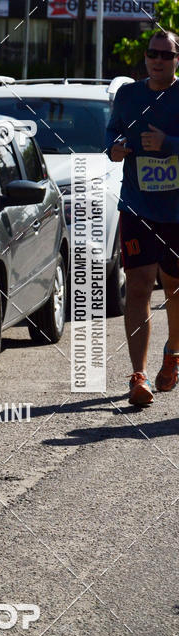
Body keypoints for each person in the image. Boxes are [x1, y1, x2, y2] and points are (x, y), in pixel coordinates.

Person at [106, 29, 179, 407]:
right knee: (138, 286)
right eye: (153, 53)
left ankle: (174, 354)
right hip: (136, 206)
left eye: (166, 55)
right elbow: (111, 132)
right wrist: (114, 149)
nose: (157, 60)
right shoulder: (128, 96)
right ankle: (139, 375)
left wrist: (168, 145)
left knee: (174, 288)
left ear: (177, 59)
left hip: (177, 212)